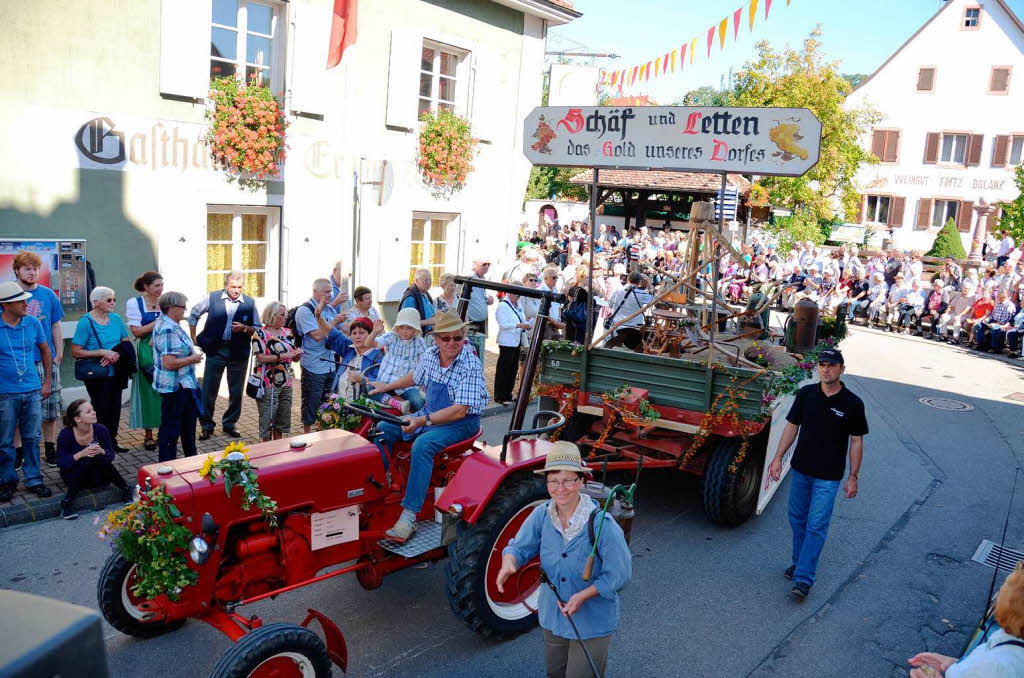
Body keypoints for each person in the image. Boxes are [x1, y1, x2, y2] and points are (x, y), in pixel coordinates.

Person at [497, 442, 632, 678]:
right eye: (553, 481)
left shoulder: (603, 525)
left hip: (592, 622)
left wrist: (583, 595)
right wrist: (509, 561)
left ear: (581, 481)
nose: (561, 488)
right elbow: (518, 547)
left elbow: (620, 575)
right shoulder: (541, 515)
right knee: (555, 674)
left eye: (568, 480)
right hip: (554, 615)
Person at [371, 311, 489, 543]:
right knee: (384, 427)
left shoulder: (470, 363)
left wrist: (423, 420)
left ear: (464, 338)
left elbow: (460, 410)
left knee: (423, 445)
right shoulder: (431, 354)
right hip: (432, 413)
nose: (452, 343)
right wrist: (386, 387)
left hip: (461, 423)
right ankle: (377, 488)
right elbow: (415, 376)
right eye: (446, 338)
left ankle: (410, 514)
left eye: (458, 338)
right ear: (436, 339)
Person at [767, 348, 867, 598]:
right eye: (822, 364)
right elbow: (792, 427)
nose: (825, 369)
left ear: (842, 369)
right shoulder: (806, 394)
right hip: (801, 470)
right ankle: (800, 562)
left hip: (829, 477)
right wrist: (778, 458)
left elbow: (856, 441)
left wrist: (853, 476)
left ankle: (804, 578)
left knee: (816, 525)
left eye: (832, 365)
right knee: (797, 520)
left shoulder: (853, 403)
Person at [908, 561, 1024, 677]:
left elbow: (991, 669)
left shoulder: (998, 666)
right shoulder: (1012, 637)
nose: (997, 595)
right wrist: (955, 664)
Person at [189, 271, 260, 440]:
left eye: (239, 287)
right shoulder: (213, 297)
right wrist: (193, 337)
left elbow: (258, 328)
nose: (236, 290)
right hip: (216, 349)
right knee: (209, 390)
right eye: (233, 287)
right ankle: (206, 425)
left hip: (239, 352)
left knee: (235, 391)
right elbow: (194, 313)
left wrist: (244, 328)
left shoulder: (249, 303)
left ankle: (230, 424)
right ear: (226, 285)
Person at [0, 280, 53, 502]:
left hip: (32, 390)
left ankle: (34, 479)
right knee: (4, 441)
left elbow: (45, 351)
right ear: (5, 305)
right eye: (19, 300)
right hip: (5, 393)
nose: (25, 303)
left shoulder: (32, 323)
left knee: (32, 438)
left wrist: (47, 381)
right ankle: (7, 481)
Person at [10, 251, 64, 470]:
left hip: (46, 360)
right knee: (17, 409)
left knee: (50, 407)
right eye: (27, 268)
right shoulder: (8, 295)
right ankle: (18, 451)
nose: (32, 272)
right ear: (17, 271)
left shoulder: (48, 294)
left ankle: (50, 448)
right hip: (18, 361)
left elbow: (55, 325)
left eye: (35, 268)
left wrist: (58, 354)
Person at [71, 286, 133, 451]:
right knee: (100, 409)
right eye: (109, 299)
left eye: (114, 299)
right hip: (97, 374)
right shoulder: (86, 322)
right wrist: (101, 352)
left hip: (116, 372)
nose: (113, 302)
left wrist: (115, 355)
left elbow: (125, 343)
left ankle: (111, 441)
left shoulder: (116, 319)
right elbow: (75, 351)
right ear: (96, 302)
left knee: (114, 409)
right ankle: (97, 442)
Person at [55, 399, 130, 519]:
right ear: (78, 419)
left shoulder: (100, 429)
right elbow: (61, 462)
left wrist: (102, 451)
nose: (94, 412)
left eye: (93, 409)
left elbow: (111, 456)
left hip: (99, 478)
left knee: (97, 456)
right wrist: (81, 454)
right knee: (87, 459)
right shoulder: (66, 435)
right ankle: (66, 503)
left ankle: (126, 490)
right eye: (88, 411)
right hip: (75, 478)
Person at [152, 291, 204, 462]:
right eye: (183, 307)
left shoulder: (166, 323)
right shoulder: (168, 328)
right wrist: (193, 358)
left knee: (186, 428)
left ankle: (189, 464)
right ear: (172, 308)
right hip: (176, 387)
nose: (185, 310)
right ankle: (169, 469)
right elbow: (169, 363)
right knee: (171, 431)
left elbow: (155, 344)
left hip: (183, 385)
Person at [295, 279, 345, 433]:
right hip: (314, 365)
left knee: (328, 403)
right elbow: (317, 335)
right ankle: (306, 435)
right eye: (326, 292)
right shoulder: (305, 310)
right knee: (311, 401)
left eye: (331, 291)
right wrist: (335, 322)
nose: (330, 294)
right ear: (315, 292)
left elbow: (343, 329)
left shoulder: (329, 309)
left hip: (330, 363)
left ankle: (322, 434)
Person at [250, 301, 301, 441]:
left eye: (286, 314)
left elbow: (293, 358)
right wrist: (286, 355)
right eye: (282, 315)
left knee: (282, 421)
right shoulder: (260, 333)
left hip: (287, 382)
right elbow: (261, 358)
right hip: (267, 383)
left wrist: (296, 355)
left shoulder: (288, 332)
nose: (285, 317)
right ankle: (266, 450)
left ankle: (278, 449)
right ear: (272, 316)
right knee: (267, 419)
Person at [126, 271, 164, 451]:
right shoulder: (135, 303)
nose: (160, 288)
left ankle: (164, 431)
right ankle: (149, 434)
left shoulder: (165, 302)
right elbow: (136, 332)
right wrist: (156, 323)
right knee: (149, 391)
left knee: (166, 390)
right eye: (157, 285)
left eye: (161, 285)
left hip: (165, 348)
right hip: (147, 350)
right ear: (147, 287)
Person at [366, 307, 427, 413]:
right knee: (369, 388)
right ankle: (395, 403)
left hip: (406, 386)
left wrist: (424, 385)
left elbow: (424, 364)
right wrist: (375, 332)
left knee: (418, 401)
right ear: (397, 327)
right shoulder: (392, 336)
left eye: (409, 328)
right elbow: (367, 344)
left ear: (415, 329)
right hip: (385, 381)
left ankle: (422, 424)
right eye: (402, 327)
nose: (404, 331)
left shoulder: (419, 341)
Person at [494, 284, 530, 405]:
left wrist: (525, 324)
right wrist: (519, 325)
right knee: (504, 369)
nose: (519, 297)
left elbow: (522, 318)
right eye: (517, 294)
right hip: (507, 342)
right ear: (510, 293)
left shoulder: (517, 305)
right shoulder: (503, 306)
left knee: (512, 369)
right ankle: (500, 395)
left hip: (516, 341)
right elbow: (503, 324)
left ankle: (508, 394)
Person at [605, 271, 654, 351]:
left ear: (628, 279)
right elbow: (652, 299)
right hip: (633, 329)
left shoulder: (617, 290)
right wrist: (649, 284)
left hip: (616, 327)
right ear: (640, 281)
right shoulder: (641, 294)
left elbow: (610, 305)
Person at [465, 259, 495, 363]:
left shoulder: (484, 279)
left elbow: (483, 298)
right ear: (475, 264)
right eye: (484, 264)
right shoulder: (469, 278)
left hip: (482, 321)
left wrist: (489, 299)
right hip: (471, 323)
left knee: (480, 350)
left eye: (489, 264)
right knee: (472, 350)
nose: (487, 266)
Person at [400, 269, 436, 334]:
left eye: (430, 280)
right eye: (425, 280)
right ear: (416, 281)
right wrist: (428, 322)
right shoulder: (410, 297)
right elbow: (407, 322)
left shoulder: (426, 294)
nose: (428, 282)